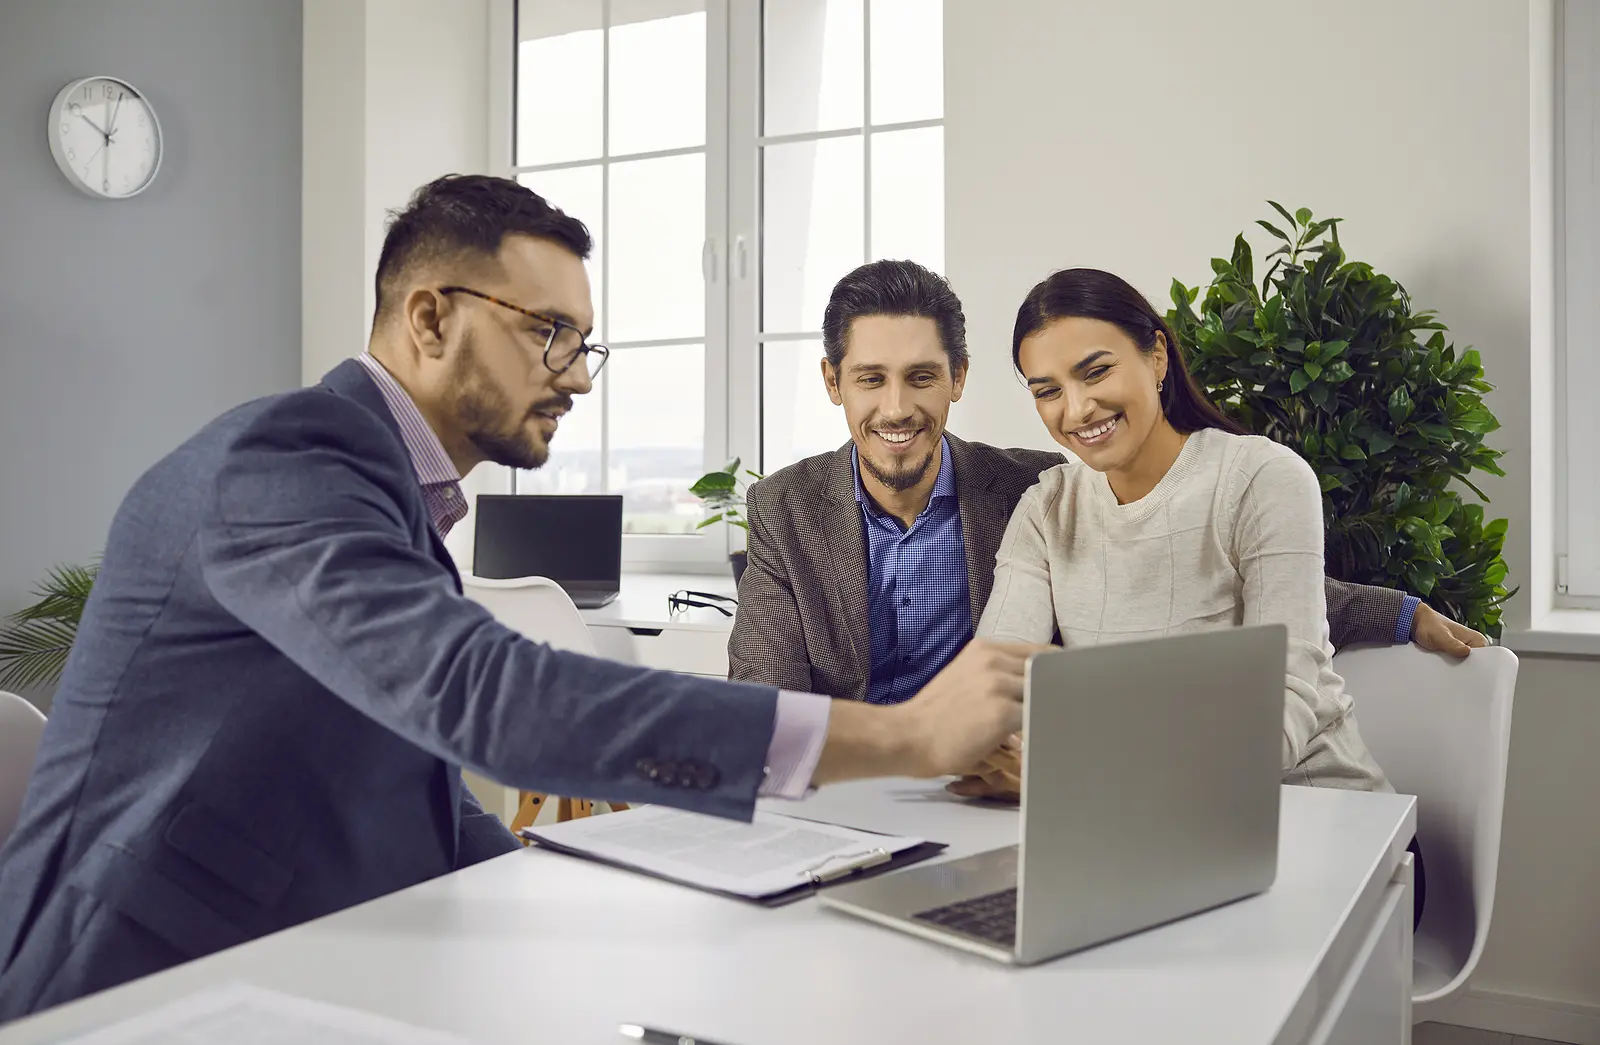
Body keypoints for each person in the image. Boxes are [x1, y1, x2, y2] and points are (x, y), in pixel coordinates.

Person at [0, 177, 1039, 1021]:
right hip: (135, 986)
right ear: (428, 318)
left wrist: (565, 886)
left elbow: (410, 776)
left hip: (311, 962)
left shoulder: (382, 487)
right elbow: (491, 701)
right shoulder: (289, 457)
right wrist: (908, 735)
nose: (576, 377)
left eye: (581, 343)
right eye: (550, 333)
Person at [730, 260, 1485, 725]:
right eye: (870, 379)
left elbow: (1212, 566)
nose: (896, 408)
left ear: (958, 378)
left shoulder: (1032, 488)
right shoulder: (785, 510)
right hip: (848, 802)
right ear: (834, 383)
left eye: (921, 376)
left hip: (996, 800)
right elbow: (761, 704)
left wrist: (1397, 609)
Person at [972, 267, 1425, 920]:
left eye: (1095, 372)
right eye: (1048, 391)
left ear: (1156, 356)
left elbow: (1276, 727)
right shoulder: (1047, 508)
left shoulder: (1263, 479)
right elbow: (995, 698)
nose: (1075, 410)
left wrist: (1068, 766)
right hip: (1145, 837)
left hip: (1326, 829)